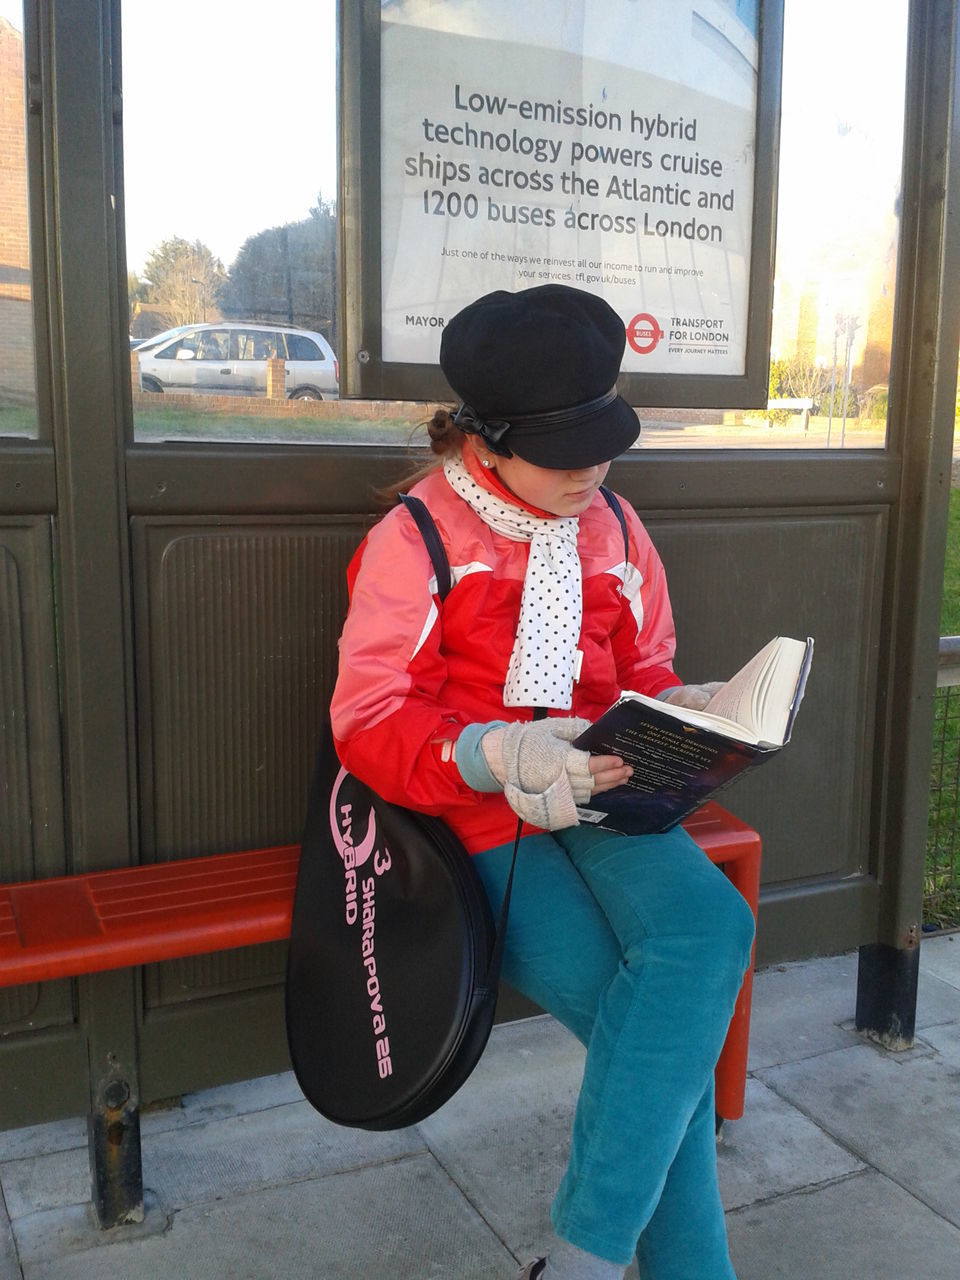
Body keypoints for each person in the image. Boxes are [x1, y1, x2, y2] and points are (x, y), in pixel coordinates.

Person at [330, 284, 756, 1280]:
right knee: (653, 1038)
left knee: (709, 933)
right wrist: (498, 752)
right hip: (480, 812)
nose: (593, 472)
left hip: (605, 783)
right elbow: (368, 722)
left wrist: (682, 708)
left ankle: (583, 1255)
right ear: (489, 439)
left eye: (603, 444)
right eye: (566, 454)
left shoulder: (610, 522)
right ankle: (616, 1260)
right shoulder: (417, 536)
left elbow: (642, 665)